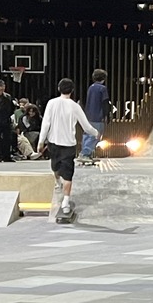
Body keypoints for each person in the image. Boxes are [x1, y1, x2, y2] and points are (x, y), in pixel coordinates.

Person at [38, 77, 100, 224]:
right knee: (68, 174)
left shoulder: (51, 103)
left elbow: (45, 123)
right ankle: (65, 201)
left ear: (59, 89)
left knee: (55, 166)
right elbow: (86, 126)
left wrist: (41, 142)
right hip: (68, 145)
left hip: (53, 142)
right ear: (72, 91)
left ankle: (58, 183)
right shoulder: (74, 106)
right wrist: (96, 133)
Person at [82, 70, 109, 163]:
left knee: (87, 134)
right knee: (96, 135)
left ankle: (85, 153)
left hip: (88, 115)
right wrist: (107, 114)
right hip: (98, 116)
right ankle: (86, 153)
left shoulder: (91, 87)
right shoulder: (102, 88)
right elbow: (105, 102)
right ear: (104, 78)